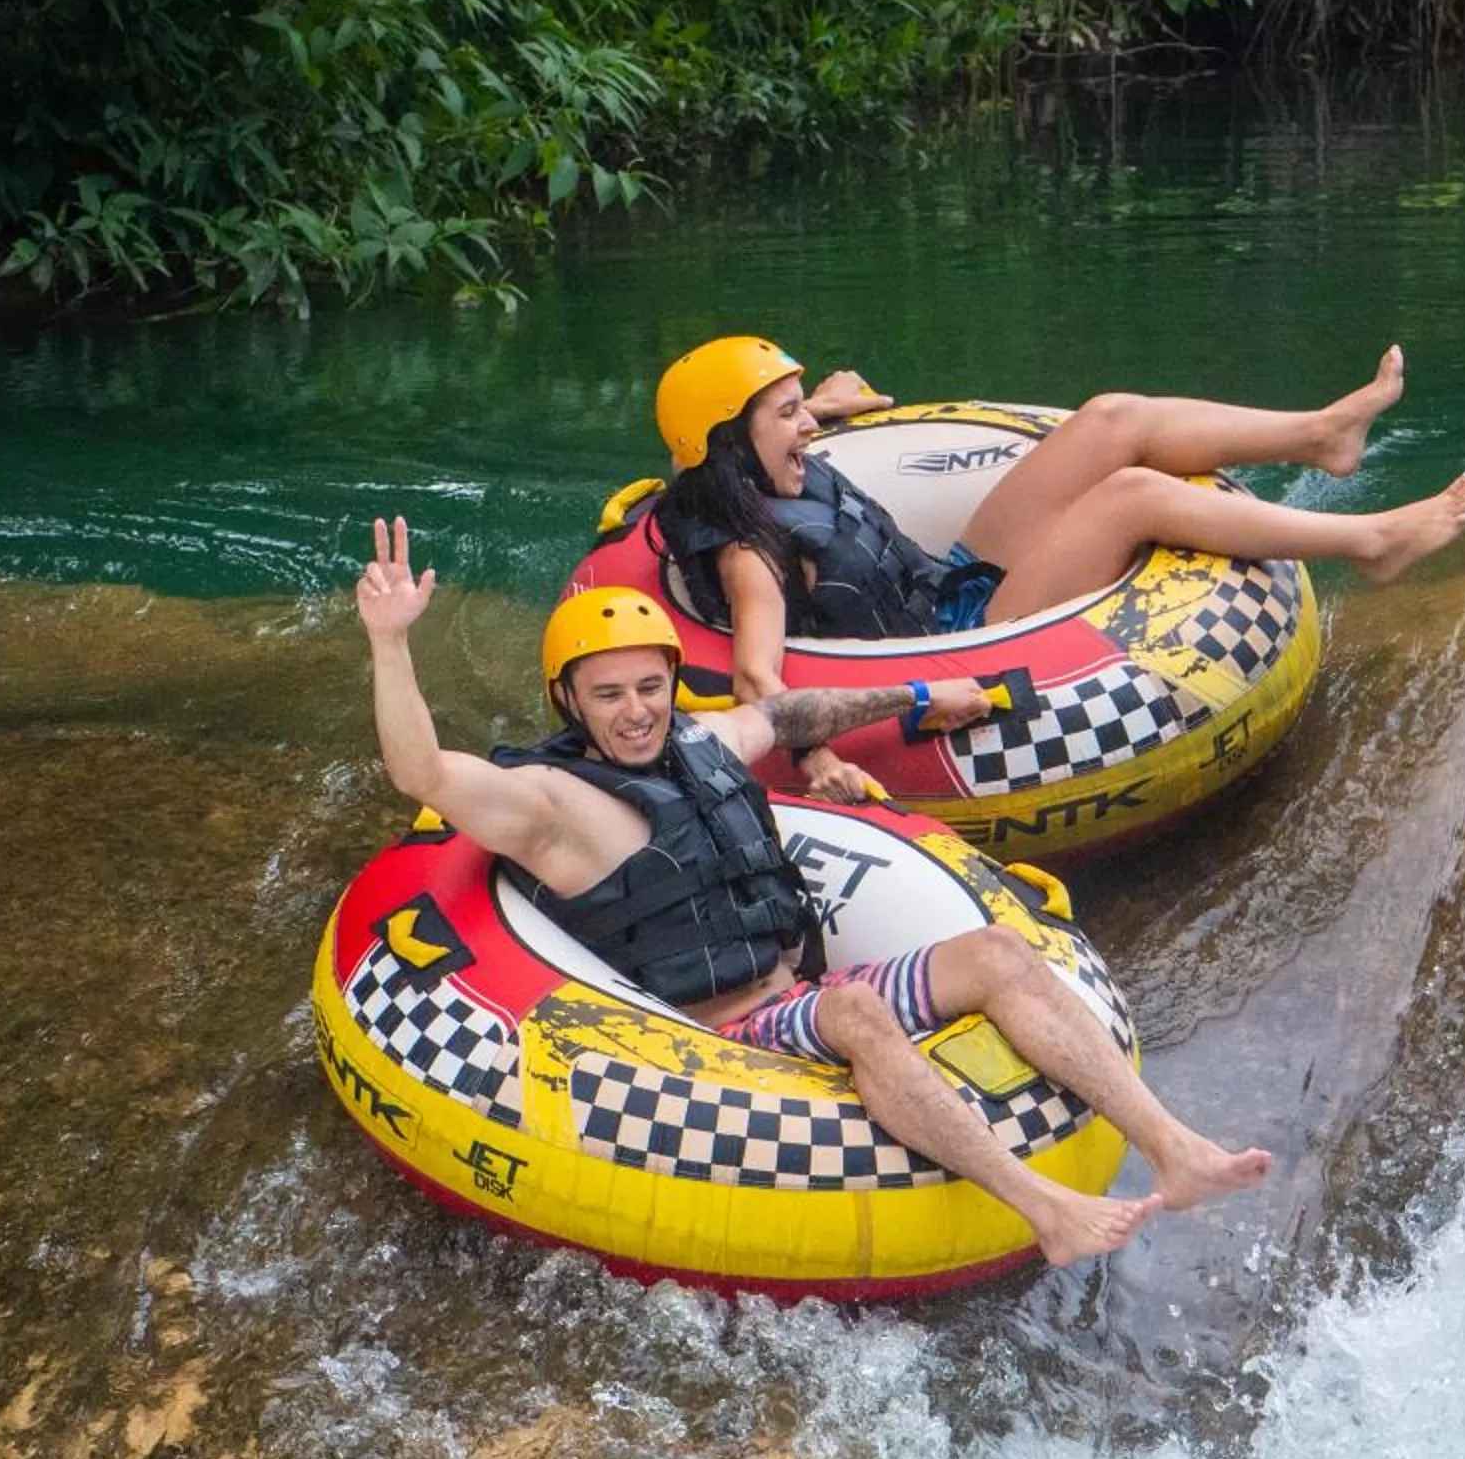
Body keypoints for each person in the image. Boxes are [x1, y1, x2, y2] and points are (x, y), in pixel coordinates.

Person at [353, 516, 1272, 1265]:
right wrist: (391, 643)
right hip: (718, 1035)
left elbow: (792, 713)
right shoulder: (552, 805)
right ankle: (1046, 1210)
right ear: (569, 703)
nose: (635, 710)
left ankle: (1173, 1149)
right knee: (857, 1012)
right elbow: (422, 771)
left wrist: (917, 696)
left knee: (996, 951)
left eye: (649, 686)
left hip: (798, 983)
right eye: (608, 695)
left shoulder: (700, 746)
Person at [646, 336, 1465, 799]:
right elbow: (757, 677)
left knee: (1110, 418)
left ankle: (1321, 435)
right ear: (730, 443)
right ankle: (1373, 543)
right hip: (964, 643)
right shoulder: (750, 551)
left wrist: (824, 402)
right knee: (1129, 496)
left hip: (945, 587)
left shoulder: (753, 467)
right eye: (788, 416)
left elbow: (773, 441)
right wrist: (817, 762)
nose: (808, 429)